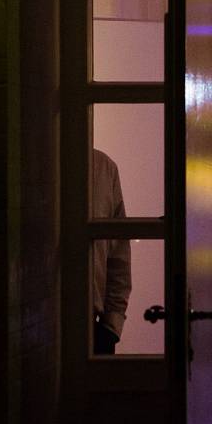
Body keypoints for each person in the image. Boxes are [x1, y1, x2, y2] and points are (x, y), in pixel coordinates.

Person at [90, 148, 131, 355]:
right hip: (95, 326)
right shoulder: (103, 168)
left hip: (93, 325)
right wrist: (112, 324)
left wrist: (111, 325)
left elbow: (118, 256)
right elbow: (119, 257)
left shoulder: (105, 168)